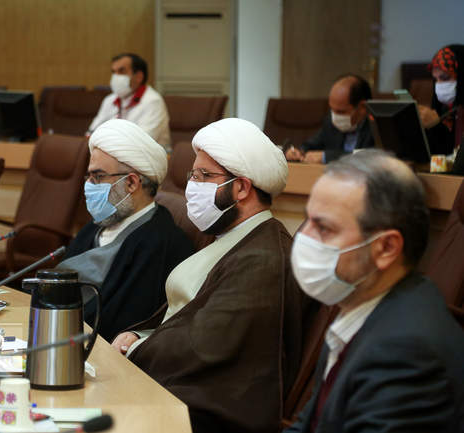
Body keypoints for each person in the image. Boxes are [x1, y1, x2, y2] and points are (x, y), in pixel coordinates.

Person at [115, 118, 314, 433]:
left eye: (204, 176)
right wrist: (140, 336)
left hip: (202, 409)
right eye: (193, 175)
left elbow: (205, 345)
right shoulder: (231, 234)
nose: (192, 185)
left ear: (242, 187)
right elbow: (185, 315)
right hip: (172, 381)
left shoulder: (264, 259)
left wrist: (138, 349)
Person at [285, 149, 464, 432]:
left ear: (386, 248)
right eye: (307, 220)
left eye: (323, 228)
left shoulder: (407, 353)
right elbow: (311, 424)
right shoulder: (361, 304)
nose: (303, 238)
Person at [59, 119, 193, 342]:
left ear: (131, 183)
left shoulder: (163, 243)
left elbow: (121, 323)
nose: (89, 186)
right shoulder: (94, 228)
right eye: (89, 177)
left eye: (98, 177)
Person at [87, 53, 171, 151]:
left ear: (139, 76)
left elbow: (142, 143)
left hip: (147, 157)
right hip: (110, 153)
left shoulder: (153, 102)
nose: (115, 76)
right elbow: (91, 133)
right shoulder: (109, 100)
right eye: (114, 72)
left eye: (121, 71)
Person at [286, 74, 374, 164]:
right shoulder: (330, 121)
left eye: (340, 112)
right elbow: (311, 145)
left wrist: (326, 157)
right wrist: (299, 152)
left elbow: (369, 158)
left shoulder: (377, 128)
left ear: (362, 107)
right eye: (332, 109)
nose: (334, 116)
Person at [418, 44, 464, 162]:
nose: (439, 85)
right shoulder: (444, 107)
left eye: (445, 78)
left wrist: (437, 124)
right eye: (436, 79)